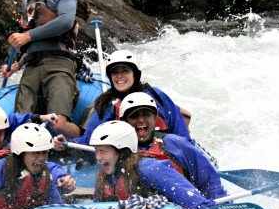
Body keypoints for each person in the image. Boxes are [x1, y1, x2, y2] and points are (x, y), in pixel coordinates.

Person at [89, 121, 240, 209]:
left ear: (122, 151)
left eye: (102, 151)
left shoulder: (148, 168)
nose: (98, 158)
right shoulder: (106, 176)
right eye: (96, 151)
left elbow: (187, 195)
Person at [2, 0, 81, 139]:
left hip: (59, 63)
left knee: (59, 125)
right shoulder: (26, 3)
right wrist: (15, 65)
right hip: (32, 67)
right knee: (21, 126)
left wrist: (27, 36)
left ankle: (86, 137)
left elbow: (65, 21)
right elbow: (27, 46)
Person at [54, 49, 191, 151]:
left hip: (163, 151)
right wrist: (66, 144)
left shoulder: (155, 95)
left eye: (125, 70)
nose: (119, 76)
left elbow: (179, 127)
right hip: (131, 160)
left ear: (135, 74)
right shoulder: (107, 104)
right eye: (115, 72)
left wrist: (186, 151)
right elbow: (89, 141)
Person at [119, 92, 227, 200]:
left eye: (146, 115)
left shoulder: (173, 144)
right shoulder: (116, 150)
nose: (141, 120)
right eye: (134, 116)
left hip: (185, 208)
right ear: (125, 121)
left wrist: (218, 207)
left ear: (154, 118)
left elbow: (209, 180)